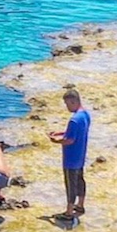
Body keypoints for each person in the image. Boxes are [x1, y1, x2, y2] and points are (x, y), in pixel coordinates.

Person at [49, 88, 91, 221]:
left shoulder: (73, 120)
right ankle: (80, 205)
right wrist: (61, 132)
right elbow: (75, 133)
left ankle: (68, 212)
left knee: (70, 185)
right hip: (81, 155)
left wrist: (55, 140)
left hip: (71, 158)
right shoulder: (85, 115)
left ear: (73, 102)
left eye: (67, 104)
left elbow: (70, 140)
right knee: (80, 181)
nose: (67, 107)